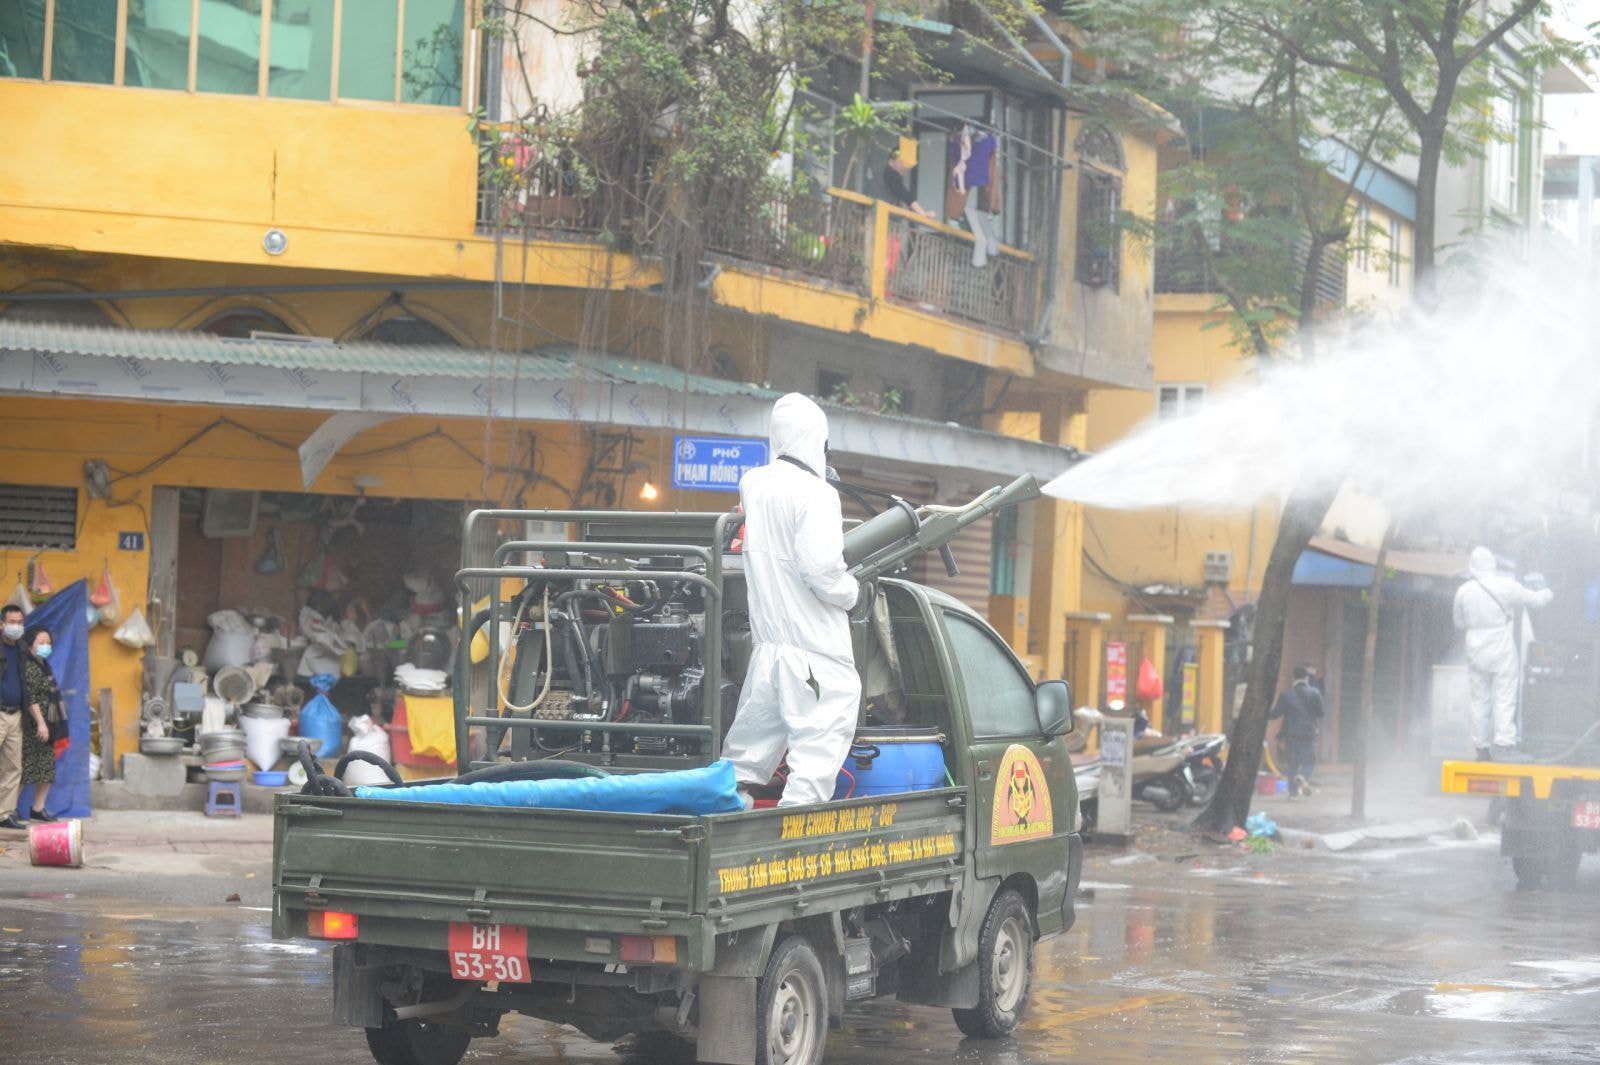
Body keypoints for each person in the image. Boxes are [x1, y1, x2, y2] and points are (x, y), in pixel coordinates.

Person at [721, 393, 861, 807]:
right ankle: (787, 853)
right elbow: (821, 570)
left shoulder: (753, 484)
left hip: (769, 650)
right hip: (815, 652)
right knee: (815, 762)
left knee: (745, 759)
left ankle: (725, 823)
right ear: (819, 439)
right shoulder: (818, 494)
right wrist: (852, 593)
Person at [1453, 546, 1553, 761]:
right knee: (1504, 695)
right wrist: (1549, 592)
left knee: (1479, 699)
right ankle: (1504, 745)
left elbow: (1458, 622)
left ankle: (1481, 748)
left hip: (1474, 647)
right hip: (1500, 644)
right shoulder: (1506, 585)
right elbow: (1535, 599)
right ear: (1493, 565)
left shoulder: (1463, 591)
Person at [22, 624, 62, 822]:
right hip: (31, 725)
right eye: (41, 642)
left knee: (46, 767)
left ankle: (38, 808)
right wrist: (40, 723)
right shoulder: (29, 667)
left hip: (46, 724)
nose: (45, 646)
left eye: (48, 643)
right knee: (23, 768)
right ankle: (7, 810)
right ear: (30, 645)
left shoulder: (45, 666)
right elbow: (30, 698)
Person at [1270, 666, 1324, 797]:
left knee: (1292, 763)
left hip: (1291, 733)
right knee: (1309, 761)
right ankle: (1303, 776)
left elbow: (1275, 714)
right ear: (1306, 678)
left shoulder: (1286, 694)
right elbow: (1321, 713)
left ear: (1293, 678)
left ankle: (1292, 792)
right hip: (1308, 733)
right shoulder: (1315, 693)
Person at [0, 604, 29, 829]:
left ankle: (4, 814)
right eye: (12, 622)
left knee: (13, 768)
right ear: (2, 624)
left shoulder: (21, 647)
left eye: (20, 622)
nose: (17, 626)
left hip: (15, 714)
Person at [881, 147, 933, 218]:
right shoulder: (891, 174)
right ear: (891, 162)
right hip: (882, 215)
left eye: (905, 163)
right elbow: (903, 193)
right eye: (900, 162)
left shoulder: (888, 174)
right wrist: (922, 213)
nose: (904, 166)